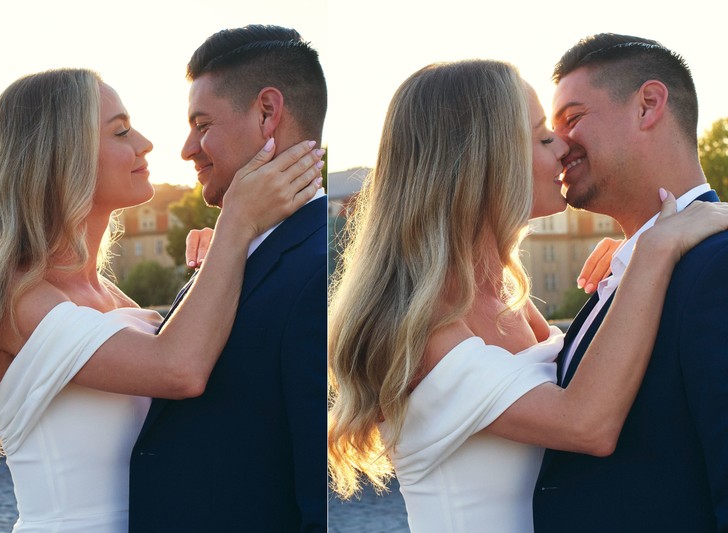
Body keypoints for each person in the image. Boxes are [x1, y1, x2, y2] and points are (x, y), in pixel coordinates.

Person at [327, 59, 728, 532]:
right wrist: (653, 251)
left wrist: (630, 265)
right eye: (542, 138)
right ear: (484, 161)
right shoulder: (422, 324)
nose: (563, 147)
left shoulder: (508, 303)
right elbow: (586, 422)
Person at [0, 68, 322, 532]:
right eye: (120, 131)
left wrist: (218, 262)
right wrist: (236, 226)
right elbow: (179, 368)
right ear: (61, 156)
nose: (146, 143)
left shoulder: (111, 297)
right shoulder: (14, 300)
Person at [129, 25, 328, 532]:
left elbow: (318, 489)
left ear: (267, 112)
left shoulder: (319, 271)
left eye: (201, 124)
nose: (186, 148)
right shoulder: (231, 248)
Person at [532, 33, 728, 532]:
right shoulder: (623, 267)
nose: (560, 144)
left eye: (573, 119)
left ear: (647, 106)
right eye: (550, 131)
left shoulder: (717, 265)